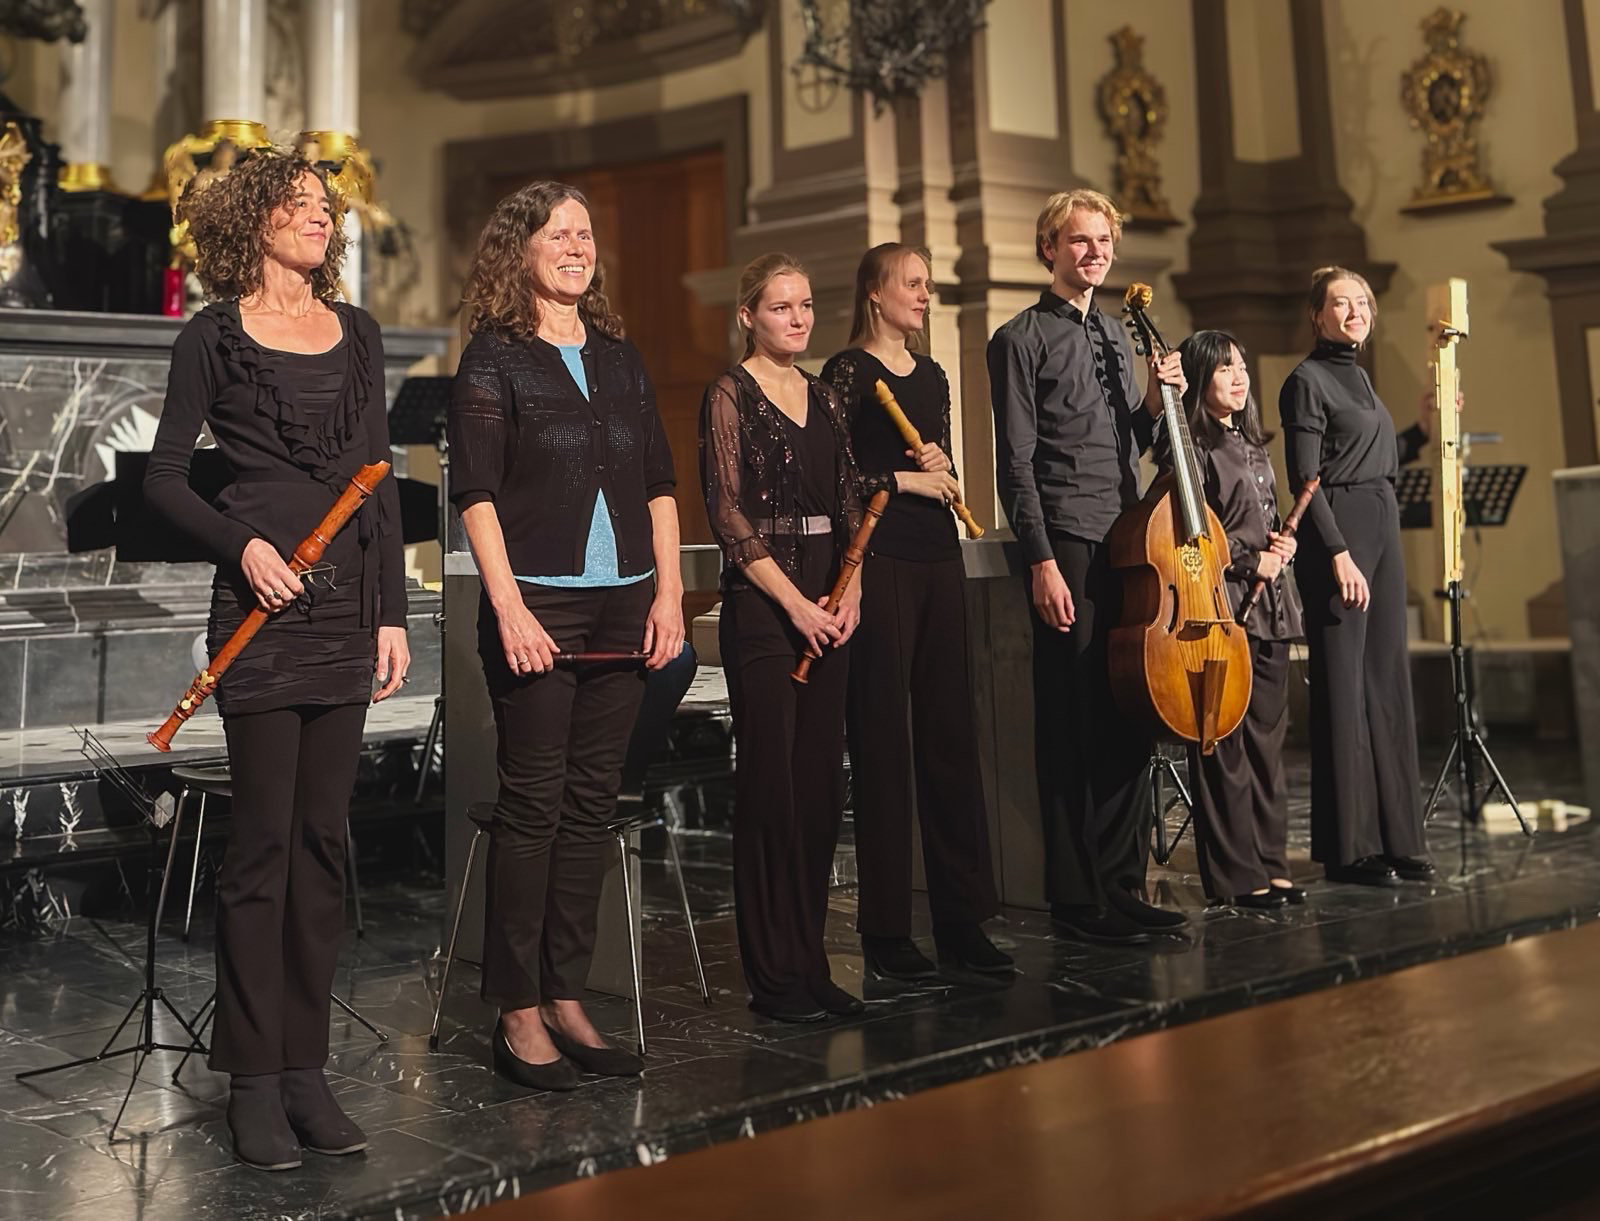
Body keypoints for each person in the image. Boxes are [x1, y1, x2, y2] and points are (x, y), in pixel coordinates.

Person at [145, 148, 408, 1171]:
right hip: (256, 617)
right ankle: (252, 1079)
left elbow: (379, 484)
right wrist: (240, 546)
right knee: (260, 852)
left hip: (347, 617)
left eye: (326, 208)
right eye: (301, 207)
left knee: (325, 847)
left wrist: (390, 614)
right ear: (253, 221)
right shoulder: (209, 338)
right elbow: (165, 481)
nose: (322, 221)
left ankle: (308, 1069)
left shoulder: (362, 333)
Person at [448, 181, 684, 1089]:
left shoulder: (619, 356)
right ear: (523, 251)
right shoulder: (492, 358)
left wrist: (668, 594)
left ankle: (567, 990)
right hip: (536, 601)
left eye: (586, 233)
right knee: (534, 807)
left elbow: (661, 485)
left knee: (593, 806)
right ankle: (515, 1006)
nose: (577, 247)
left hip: (628, 604)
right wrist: (508, 609)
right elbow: (475, 493)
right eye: (559, 234)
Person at [987, 188, 1188, 945]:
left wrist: (1157, 399)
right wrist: (1040, 560)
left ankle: (1122, 881)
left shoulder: (1114, 334)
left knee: (1126, 711)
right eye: (1079, 240)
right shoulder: (1020, 337)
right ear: (1050, 250)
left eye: (1103, 240)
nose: (1094, 252)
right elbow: (1017, 463)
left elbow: (1131, 443)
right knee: (1071, 719)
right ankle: (1077, 899)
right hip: (1067, 540)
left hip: (1130, 542)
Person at [820, 244, 1009, 982]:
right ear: (876, 292)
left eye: (928, 284)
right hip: (881, 561)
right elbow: (835, 477)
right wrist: (904, 476)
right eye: (914, 283)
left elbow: (947, 471)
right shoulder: (847, 372)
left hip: (937, 561)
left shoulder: (930, 377)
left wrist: (946, 476)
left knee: (949, 740)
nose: (926, 295)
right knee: (884, 747)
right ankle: (887, 933)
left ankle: (963, 921)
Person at [700, 253, 865, 1022]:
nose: (797, 319)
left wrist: (849, 590)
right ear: (748, 316)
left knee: (822, 790)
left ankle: (812, 961)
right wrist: (798, 603)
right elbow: (729, 517)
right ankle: (772, 976)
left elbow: (853, 501)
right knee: (772, 789)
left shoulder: (828, 397)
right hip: (767, 611)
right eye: (780, 308)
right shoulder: (728, 394)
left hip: (831, 606)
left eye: (804, 306)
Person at [1279, 267, 1435, 887]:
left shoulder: (1360, 376)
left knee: (1386, 681)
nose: (1354, 312)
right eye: (1340, 304)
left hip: (1381, 520)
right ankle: (1348, 849)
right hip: (1338, 532)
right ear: (1316, 314)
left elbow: (1369, 454)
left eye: (1362, 303)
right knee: (1343, 687)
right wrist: (1338, 552)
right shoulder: (1305, 381)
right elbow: (1306, 476)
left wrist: (1422, 429)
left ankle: (1398, 836)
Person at [1166, 331, 1306, 909]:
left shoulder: (1252, 445)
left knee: (1269, 746)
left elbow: (1260, 520)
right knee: (1224, 743)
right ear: (1201, 379)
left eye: (1242, 366)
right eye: (1225, 368)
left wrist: (1282, 547)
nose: (1239, 376)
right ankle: (1235, 873)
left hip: (1270, 607)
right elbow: (1194, 542)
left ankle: (1273, 864)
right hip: (1223, 607)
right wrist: (1252, 561)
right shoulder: (1190, 449)